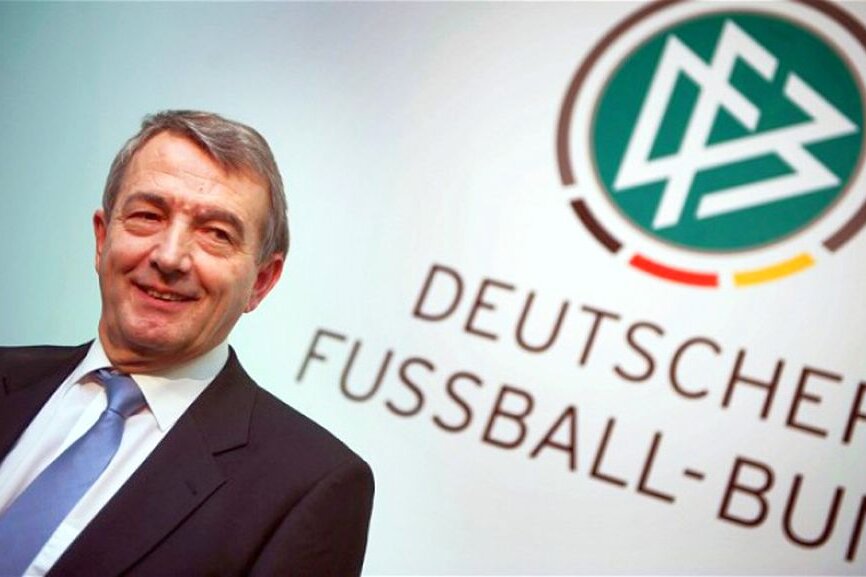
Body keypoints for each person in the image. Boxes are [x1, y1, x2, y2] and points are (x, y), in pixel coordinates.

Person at [0, 110, 374, 576]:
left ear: (261, 281)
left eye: (216, 234)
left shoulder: (310, 487)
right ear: (102, 238)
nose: (170, 256)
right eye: (148, 216)